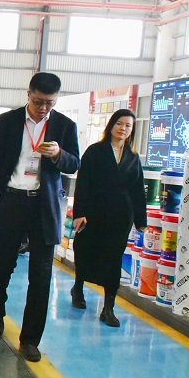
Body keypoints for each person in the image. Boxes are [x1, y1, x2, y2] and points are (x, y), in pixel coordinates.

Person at [0, 72, 80, 362]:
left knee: (41, 275)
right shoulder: (7, 122)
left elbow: (74, 163)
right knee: (3, 266)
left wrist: (58, 154)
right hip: (10, 202)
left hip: (44, 206)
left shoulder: (64, 126)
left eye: (50, 103)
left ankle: (30, 340)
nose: (43, 108)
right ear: (28, 95)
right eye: (38, 102)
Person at [70, 109, 147, 327]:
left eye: (128, 125)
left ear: (132, 130)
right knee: (85, 251)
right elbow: (83, 182)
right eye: (119, 123)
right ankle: (78, 287)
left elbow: (137, 189)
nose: (123, 128)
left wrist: (141, 220)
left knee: (113, 260)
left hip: (121, 216)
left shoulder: (133, 157)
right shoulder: (95, 151)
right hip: (94, 212)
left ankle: (108, 308)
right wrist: (80, 213)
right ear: (111, 125)